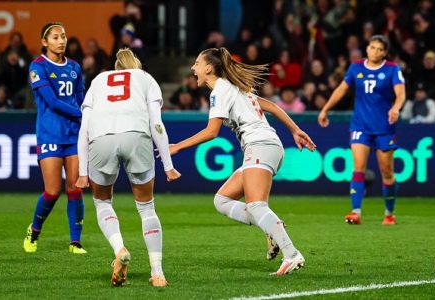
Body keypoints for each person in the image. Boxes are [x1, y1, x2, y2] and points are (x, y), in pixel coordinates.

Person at [169, 47, 316, 276]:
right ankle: (271, 227)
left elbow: (211, 132)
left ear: (209, 68)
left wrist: (177, 146)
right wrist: (295, 130)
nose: (192, 68)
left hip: (261, 145)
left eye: (197, 63)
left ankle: (292, 254)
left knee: (257, 205)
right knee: (222, 200)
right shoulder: (235, 88)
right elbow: (272, 106)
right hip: (264, 146)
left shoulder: (220, 90)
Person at [75, 48, 180, 287]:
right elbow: (157, 123)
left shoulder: (99, 80)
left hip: (101, 138)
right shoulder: (145, 78)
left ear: (116, 66)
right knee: (146, 208)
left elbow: (84, 129)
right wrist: (168, 165)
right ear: (136, 64)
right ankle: (157, 272)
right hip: (136, 136)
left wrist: (82, 172)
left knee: (102, 202)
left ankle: (119, 248)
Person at [318, 35, 406, 225]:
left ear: (385, 52)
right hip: (360, 126)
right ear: (367, 48)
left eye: (380, 49)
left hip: (384, 128)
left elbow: (400, 93)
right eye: (372, 47)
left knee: (387, 172)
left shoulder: (392, 69)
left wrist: (395, 108)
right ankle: (355, 212)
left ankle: (389, 214)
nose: (375, 51)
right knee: (358, 168)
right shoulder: (356, 67)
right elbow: (341, 89)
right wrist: (325, 109)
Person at [23, 22, 86, 254]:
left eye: (63, 36)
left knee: (75, 187)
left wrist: (85, 114)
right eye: (55, 37)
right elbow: (51, 102)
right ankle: (35, 231)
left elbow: (81, 97)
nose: (61, 41)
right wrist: (82, 113)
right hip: (50, 133)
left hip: (73, 135)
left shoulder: (75, 67)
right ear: (44, 42)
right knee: (52, 191)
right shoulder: (37, 66)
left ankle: (75, 242)